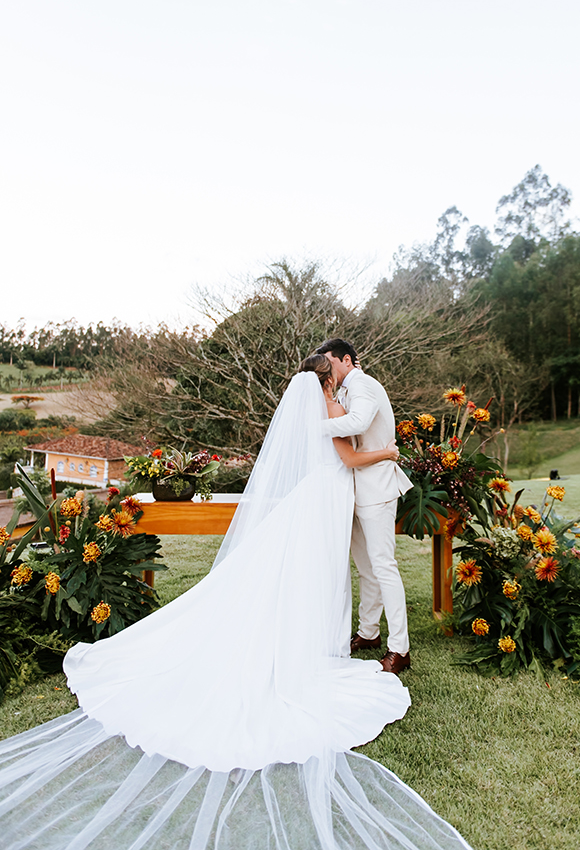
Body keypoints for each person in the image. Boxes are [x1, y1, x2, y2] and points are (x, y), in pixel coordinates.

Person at [0, 359, 472, 850]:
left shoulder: (325, 404)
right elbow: (350, 456)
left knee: (313, 572)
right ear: (326, 381)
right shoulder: (331, 405)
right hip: (331, 494)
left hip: (328, 497)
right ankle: (319, 637)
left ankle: (339, 634)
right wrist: (390, 450)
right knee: (313, 573)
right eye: (331, 377)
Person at [316, 338, 413, 674]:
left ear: (347, 360)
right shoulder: (342, 390)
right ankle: (368, 633)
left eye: (330, 362)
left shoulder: (365, 384)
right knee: (365, 568)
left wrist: (313, 428)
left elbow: (357, 423)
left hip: (377, 487)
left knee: (384, 566)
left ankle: (400, 648)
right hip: (352, 490)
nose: (328, 370)